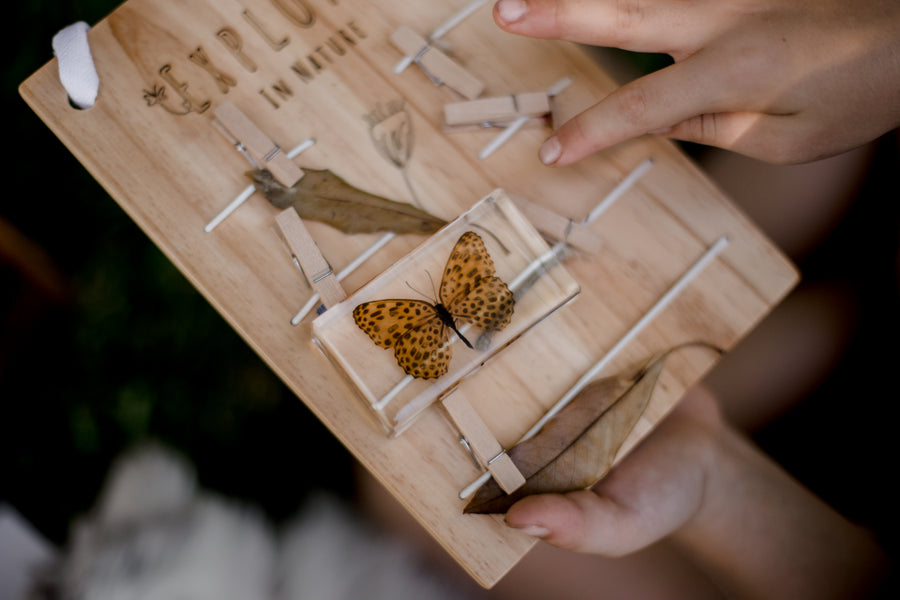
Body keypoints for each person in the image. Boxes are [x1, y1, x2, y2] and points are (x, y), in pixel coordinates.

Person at [483, 0, 899, 596]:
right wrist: (884, 45)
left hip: (808, 457)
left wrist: (713, 479)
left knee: (446, 501)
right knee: (784, 170)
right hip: (851, 269)